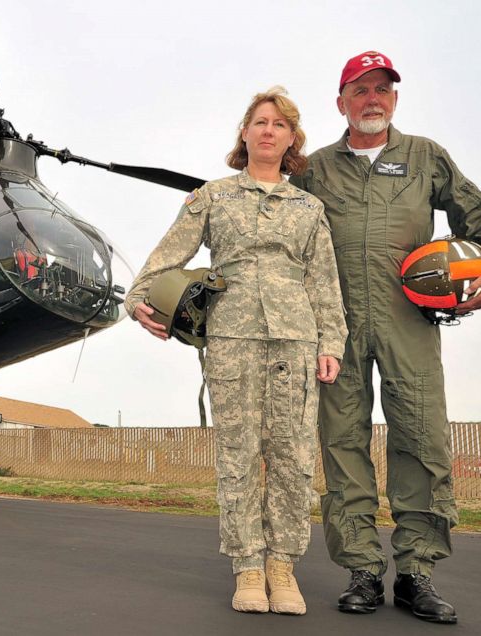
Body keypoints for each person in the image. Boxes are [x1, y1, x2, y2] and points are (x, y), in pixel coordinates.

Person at [289, 51, 481, 625]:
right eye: (361, 89)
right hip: (334, 328)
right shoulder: (314, 169)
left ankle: (417, 572)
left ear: (395, 99)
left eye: (384, 90)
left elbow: (479, 212)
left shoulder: (425, 158)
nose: (374, 99)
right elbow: (274, 223)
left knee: (421, 441)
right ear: (340, 102)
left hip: (408, 322)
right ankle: (363, 571)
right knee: (343, 446)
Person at [125, 87, 347, 615]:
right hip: (231, 341)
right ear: (244, 134)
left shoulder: (310, 209)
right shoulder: (212, 197)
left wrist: (331, 341)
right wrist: (137, 298)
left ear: (292, 140)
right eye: (260, 122)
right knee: (238, 457)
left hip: (296, 342)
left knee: (293, 458)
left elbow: (324, 282)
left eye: (280, 125)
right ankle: (248, 567)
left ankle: (282, 566)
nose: (269, 130)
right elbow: (168, 253)